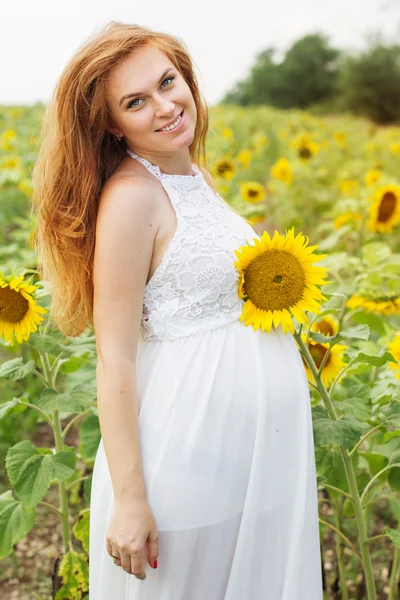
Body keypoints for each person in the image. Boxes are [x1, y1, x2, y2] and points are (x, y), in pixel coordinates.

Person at [31, 21, 323, 600]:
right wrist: (132, 500)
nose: (166, 106)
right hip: (186, 457)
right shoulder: (132, 198)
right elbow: (114, 356)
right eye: (136, 101)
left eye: (168, 81)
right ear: (111, 124)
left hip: (246, 457)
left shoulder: (190, 175)